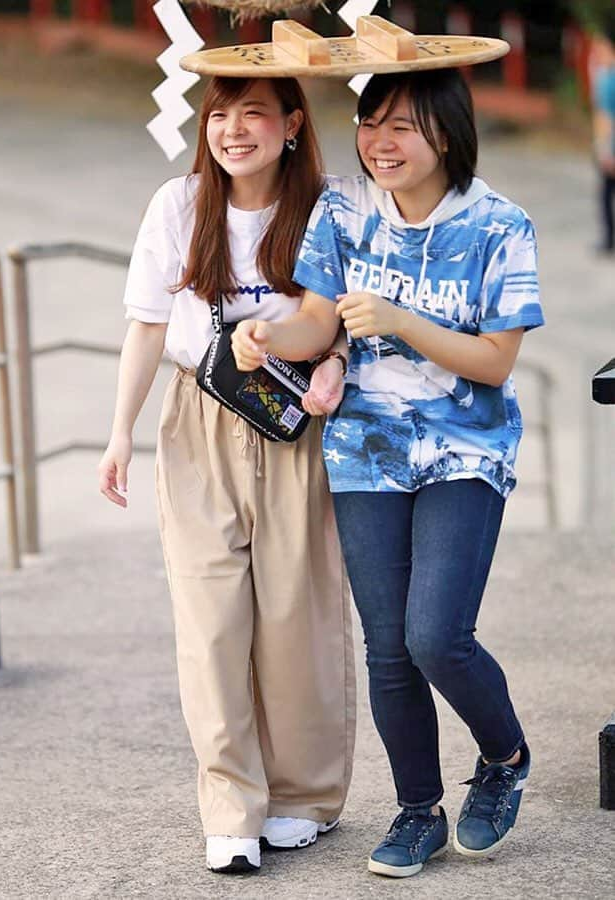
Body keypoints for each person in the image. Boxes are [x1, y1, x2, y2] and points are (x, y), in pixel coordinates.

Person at [232, 67, 543, 878]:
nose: (380, 142)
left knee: (436, 635)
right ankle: (417, 811)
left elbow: (496, 360)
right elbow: (312, 319)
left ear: (446, 131)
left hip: (464, 448)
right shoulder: (340, 210)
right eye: (371, 124)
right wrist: (267, 336)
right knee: (388, 650)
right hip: (365, 448)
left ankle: (504, 759)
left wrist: (404, 321)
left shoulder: (501, 226)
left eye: (402, 125)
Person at [97, 75, 356, 874]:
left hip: (295, 423)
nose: (233, 130)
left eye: (253, 113)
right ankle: (230, 803)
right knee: (209, 620)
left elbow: (357, 314)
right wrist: (119, 435)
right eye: (219, 113)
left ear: (290, 125)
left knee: (295, 614)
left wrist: (337, 359)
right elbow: (147, 325)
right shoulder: (177, 206)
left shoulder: (331, 205)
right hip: (199, 413)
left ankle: (303, 797)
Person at [590, 12, 615, 254]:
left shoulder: (607, 78)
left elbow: (605, 117)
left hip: (612, 147)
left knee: (607, 196)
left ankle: (609, 240)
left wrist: (605, 150)